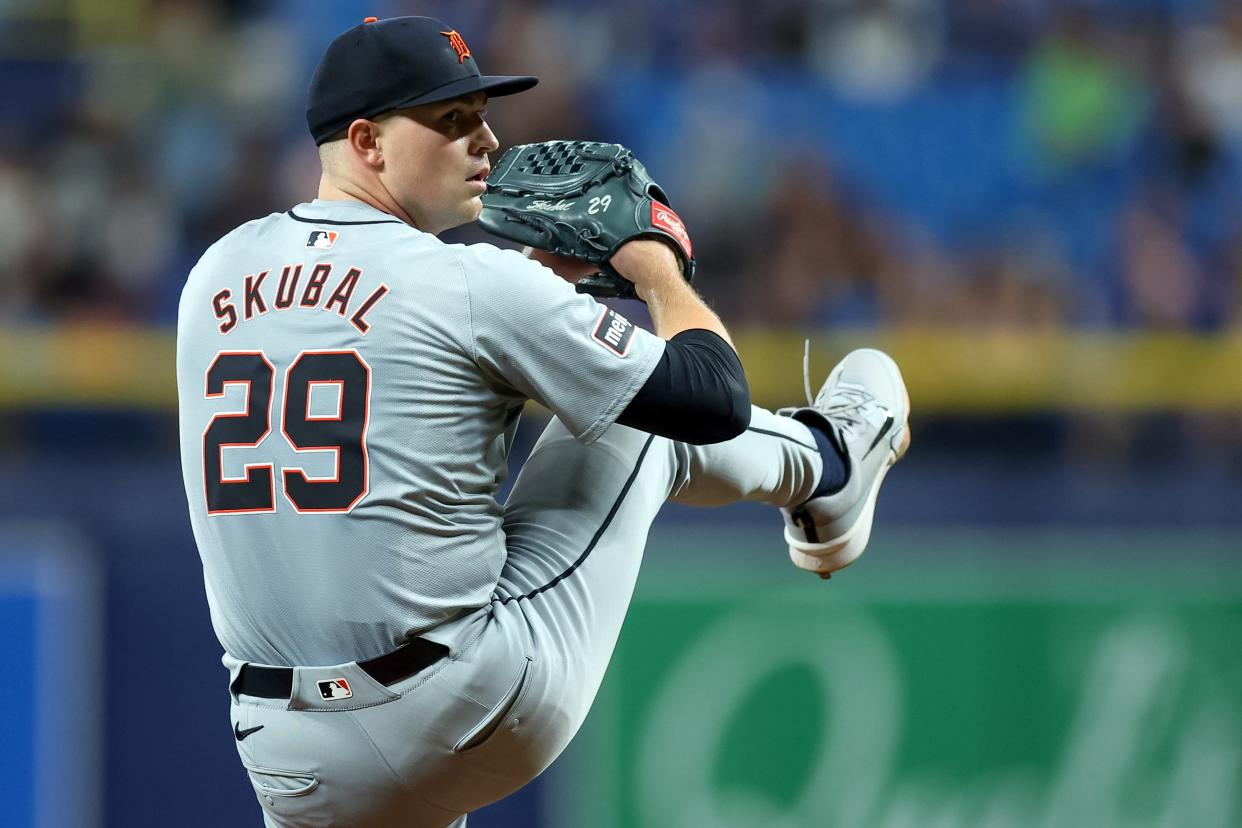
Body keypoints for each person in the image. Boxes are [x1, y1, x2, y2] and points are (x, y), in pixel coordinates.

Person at [176, 15, 910, 828]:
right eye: (451, 121)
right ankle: (831, 462)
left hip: (280, 748)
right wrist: (651, 264)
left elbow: (390, 351)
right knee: (635, 420)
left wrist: (549, 299)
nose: (486, 140)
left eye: (482, 115)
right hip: (454, 709)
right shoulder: (469, 284)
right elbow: (710, 397)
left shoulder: (215, 272)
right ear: (367, 142)